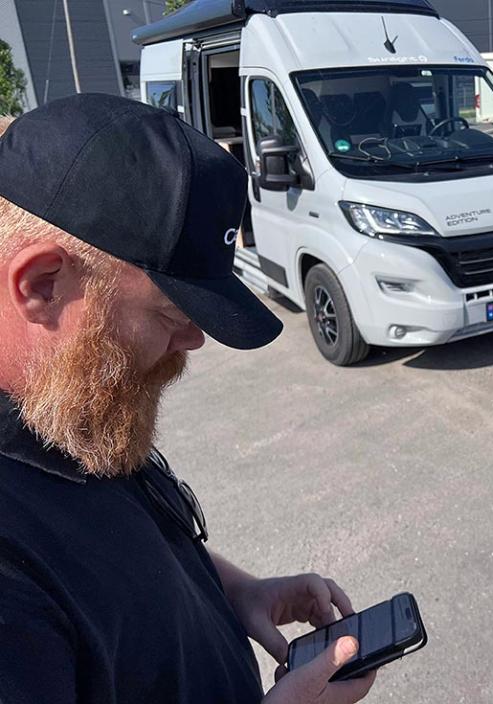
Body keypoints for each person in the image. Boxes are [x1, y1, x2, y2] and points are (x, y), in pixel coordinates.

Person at [0, 94, 375, 704]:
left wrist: (235, 591)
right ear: (42, 285)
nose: (195, 341)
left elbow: (111, 550)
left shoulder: (63, 399)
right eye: (171, 314)